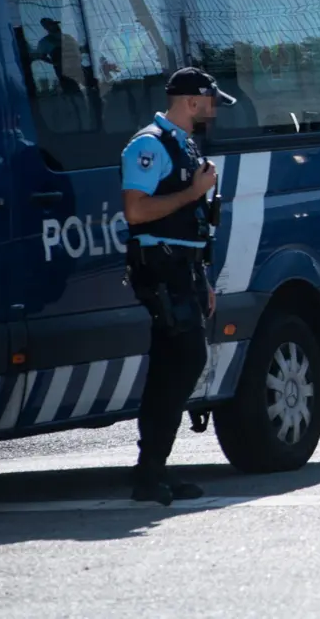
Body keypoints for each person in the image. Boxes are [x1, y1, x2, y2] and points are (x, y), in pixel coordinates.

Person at [120, 67, 235, 504]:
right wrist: (193, 191)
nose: (214, 110)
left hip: (183, 267)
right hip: (161, 267)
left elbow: (195, 221)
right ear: (191, 101)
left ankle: (152, 473)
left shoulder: (183, 144)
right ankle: (149, 473)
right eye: (210, 102)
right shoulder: (149, 144)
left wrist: (202, 278)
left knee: (175, 366)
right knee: (182, 362)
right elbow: (136, 211)